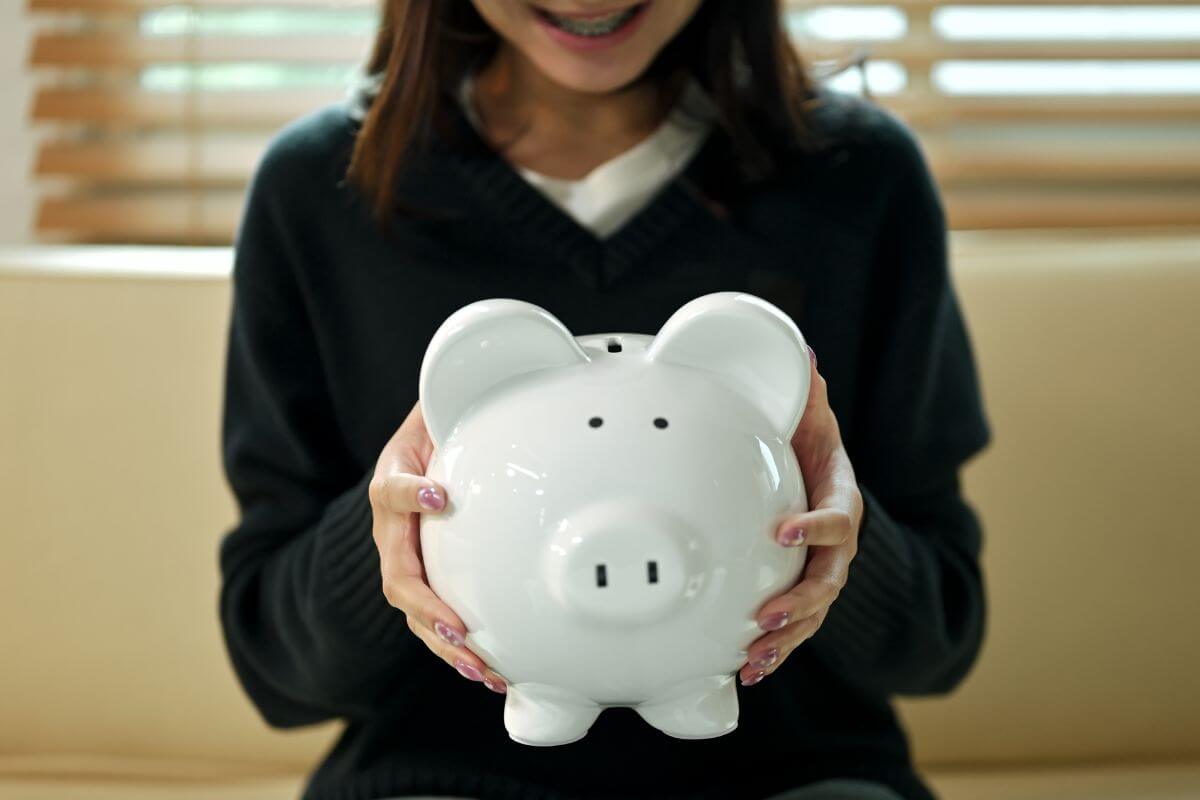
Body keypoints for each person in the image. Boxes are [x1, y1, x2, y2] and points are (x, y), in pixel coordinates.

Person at [216, 2, 993, 799]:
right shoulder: (321, 190)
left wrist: (827, 528)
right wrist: (396, 526)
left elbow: (939, 646)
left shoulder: (859, 178)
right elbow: (275, 672)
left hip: (794, 775)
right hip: (438, 773)